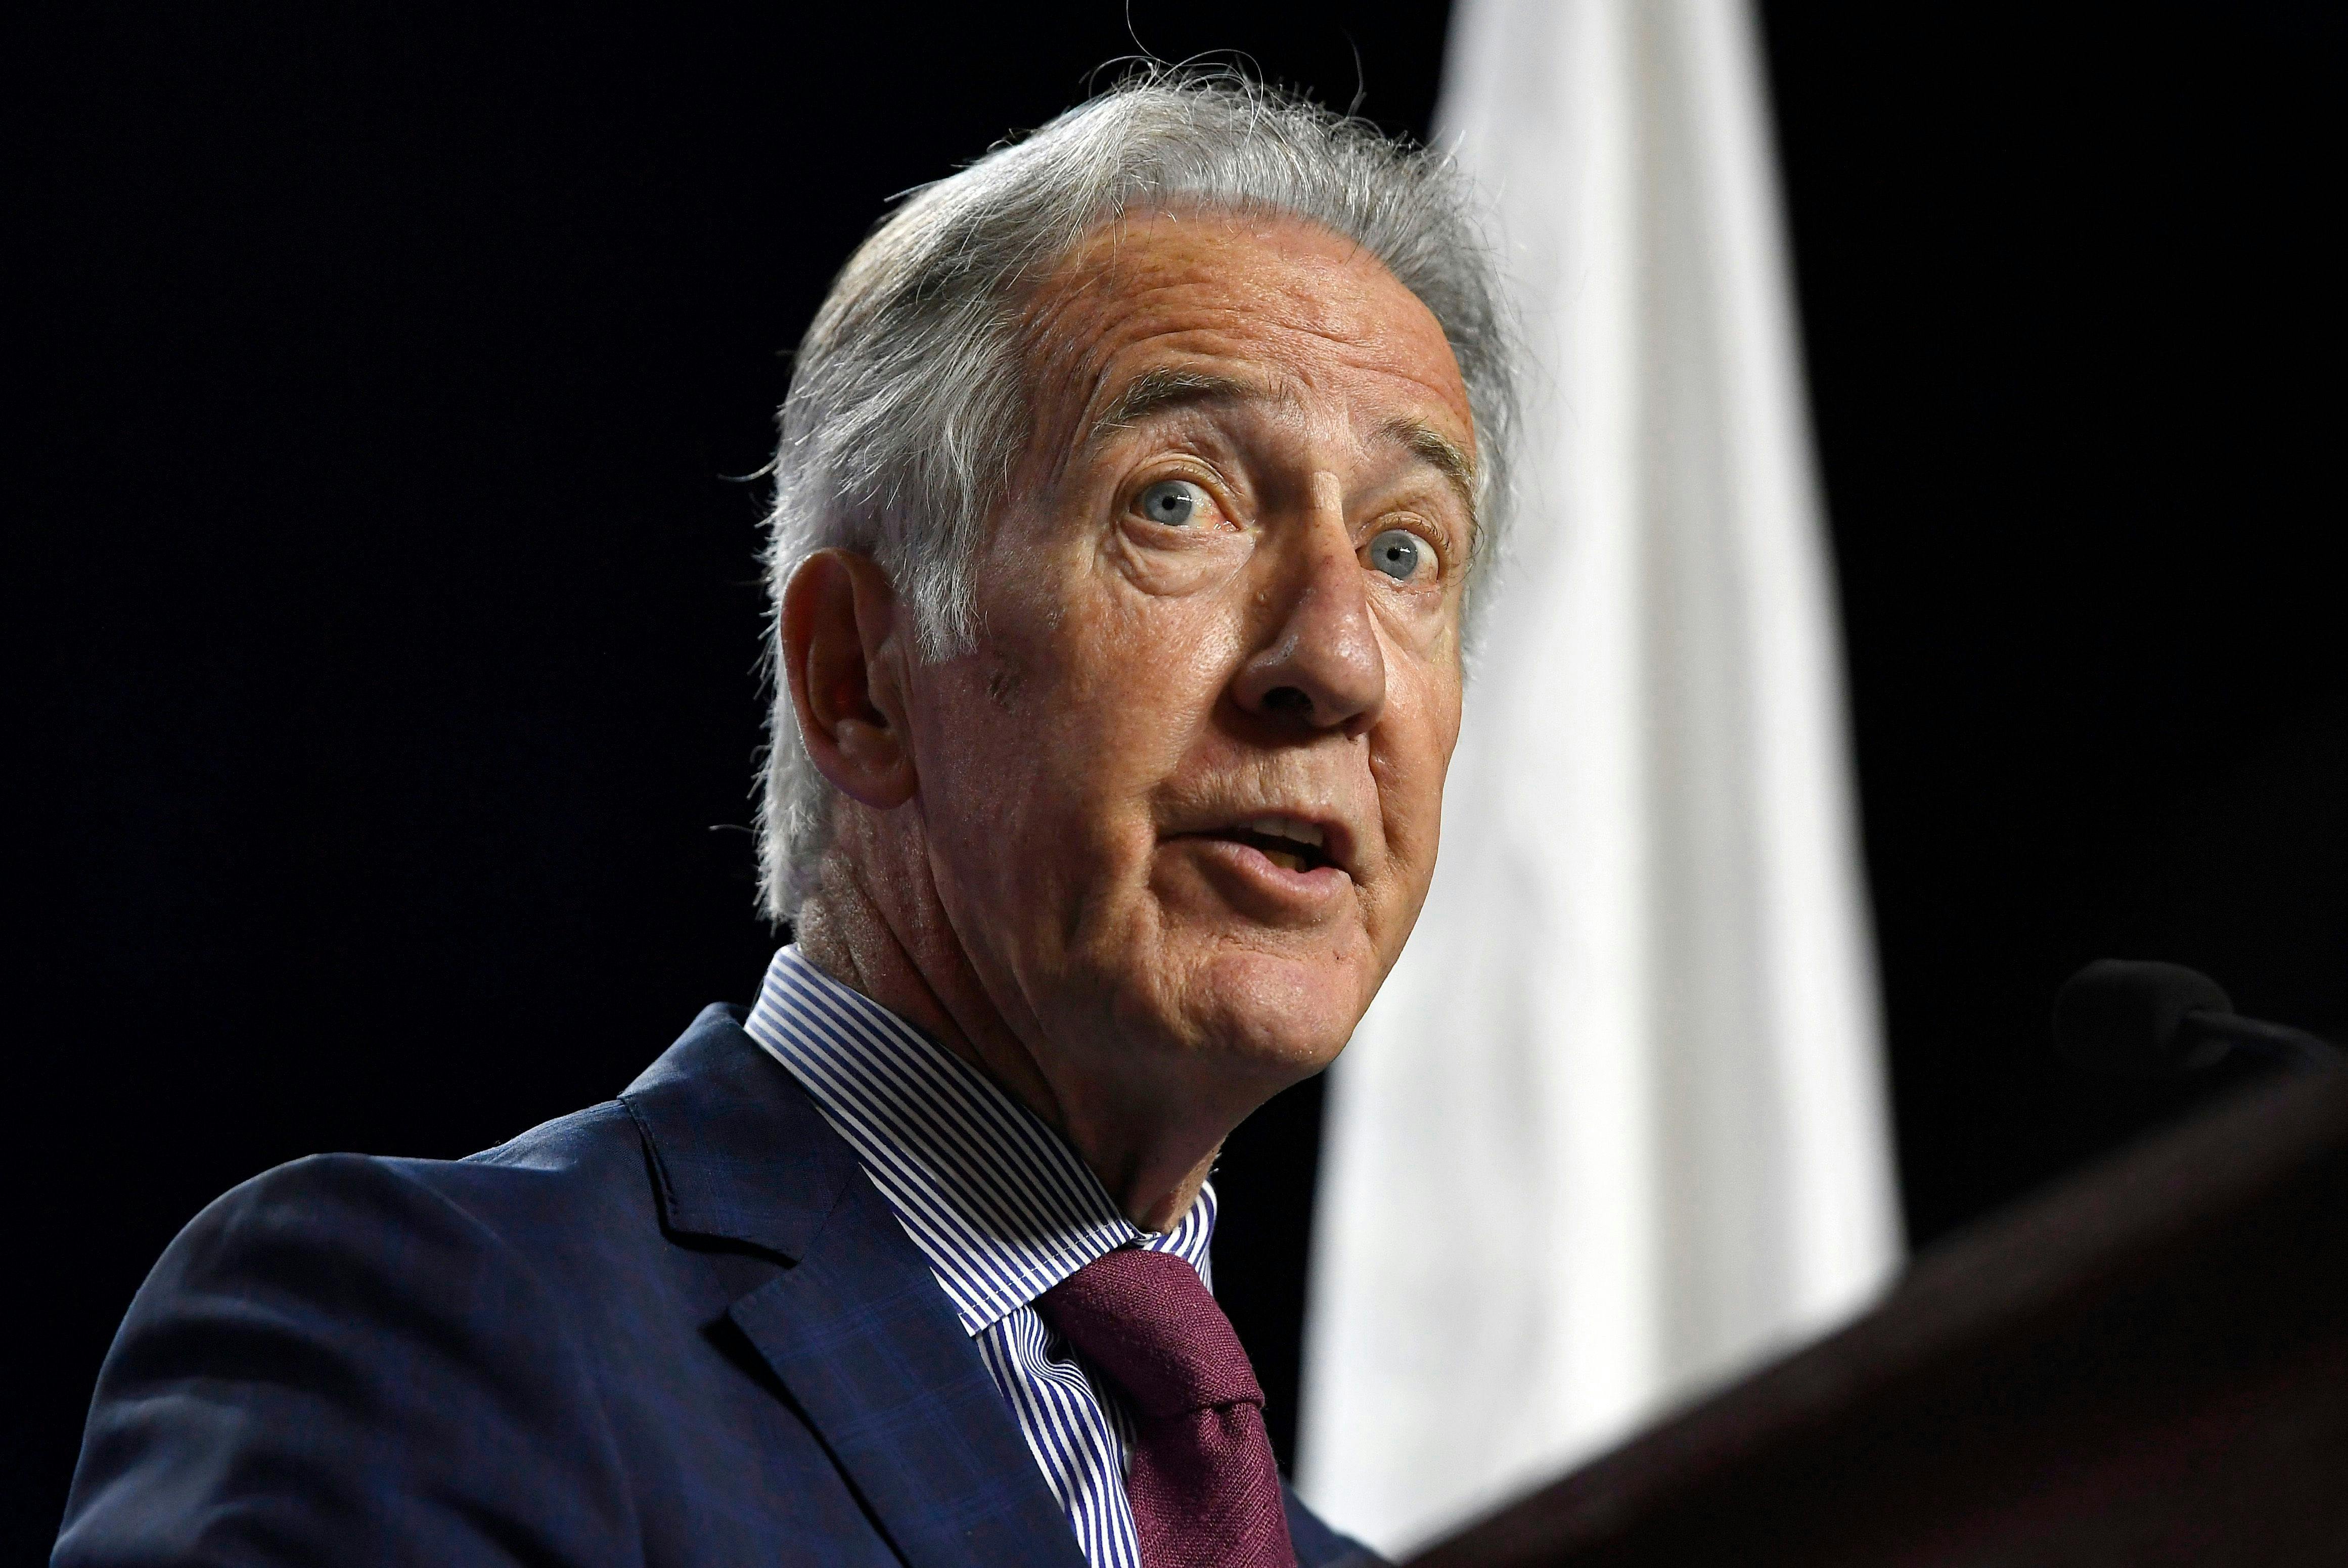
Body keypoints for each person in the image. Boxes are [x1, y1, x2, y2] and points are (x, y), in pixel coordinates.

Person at [56, 70, 1516, 1568]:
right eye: (1177, 503)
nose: (1337, 660)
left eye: (1407, 549)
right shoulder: (425, 1340)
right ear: (857, 683)